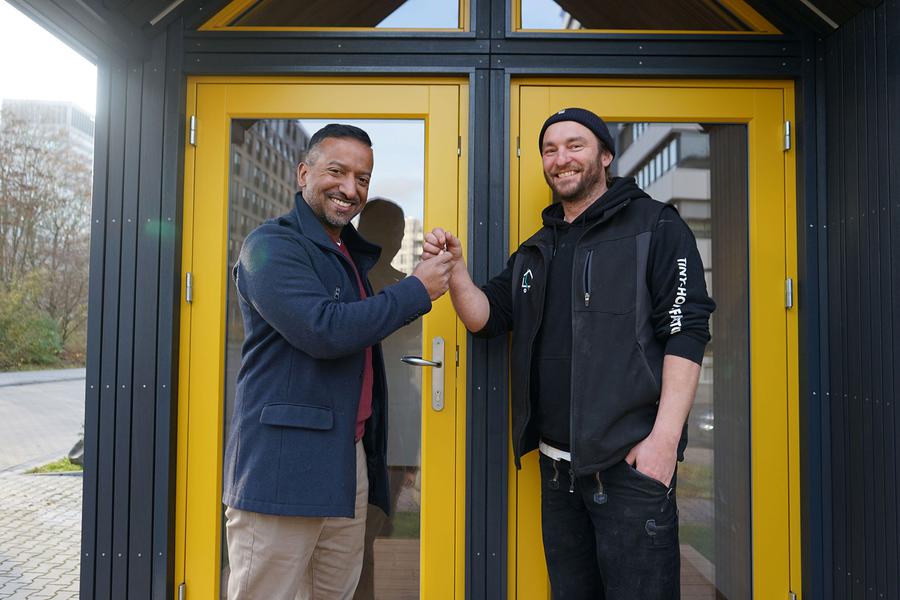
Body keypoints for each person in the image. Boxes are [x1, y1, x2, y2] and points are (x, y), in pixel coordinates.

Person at [423, 108, 715, 599]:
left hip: (629, 469)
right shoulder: (537, 249)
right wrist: (455, 271)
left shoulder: (657, 226)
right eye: (550, 149)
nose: (561, 159)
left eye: (575, 145)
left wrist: (663, 443)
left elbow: (687, 331)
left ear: (605, 154)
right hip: (559, 473)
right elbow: (486, 318)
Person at [222, 124, 454, 600]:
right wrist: (417, 289)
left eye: (363, 178)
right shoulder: (270, 247)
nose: (351, 188)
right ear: (303, 172)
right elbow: (323, 330)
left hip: (346, 462)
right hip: (282, 469)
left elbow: (362, 334)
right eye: (338, 171)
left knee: (336, 593)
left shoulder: (348, 255)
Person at [353, 198, 422, 600]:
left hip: (401, 416)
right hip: (364, 418)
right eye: (388, 230)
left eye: (398, 232)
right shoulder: (354, 279)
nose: (395, 240)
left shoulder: (401, 282)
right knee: (361, 531)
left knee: (380, 522)